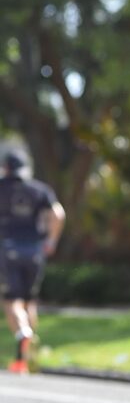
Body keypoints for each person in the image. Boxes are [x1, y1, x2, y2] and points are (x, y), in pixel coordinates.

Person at [0, 146, 65, 373]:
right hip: (35, 251)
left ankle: (22, 334)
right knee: (30, 301)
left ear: (6, 167)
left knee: (11, 301)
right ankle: (27, 356)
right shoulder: (39, 189)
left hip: (9, 250)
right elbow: (58, 214)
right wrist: (51, 241)